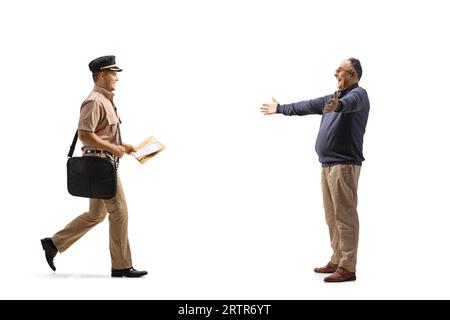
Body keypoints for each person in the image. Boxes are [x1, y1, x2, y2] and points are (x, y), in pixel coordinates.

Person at [260, 58, 369, 282]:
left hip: (344, 165)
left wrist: (339, 106)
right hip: (327, 165)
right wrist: (280, 108)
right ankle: (337, 259)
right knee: (332, 217)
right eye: (337, 69)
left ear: (353, 75)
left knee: (345, 217)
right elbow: (306, 105)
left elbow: (350, 104)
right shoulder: (333, 97)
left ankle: (348, 267)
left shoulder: (358, 95)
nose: (336, 72)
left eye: (341, 69)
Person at [41, 55, 148, 278]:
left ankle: (53, 243)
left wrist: (122, 147)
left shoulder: (106, 100)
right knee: (119, 213)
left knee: (95, 214)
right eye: (113, 73)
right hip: (101, 166)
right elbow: (85, 135)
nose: (116, 78)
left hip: (103, 161)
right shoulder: (94, 101)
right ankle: (121, 266)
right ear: (101, 75)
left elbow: (101, 134)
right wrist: (112, 148)